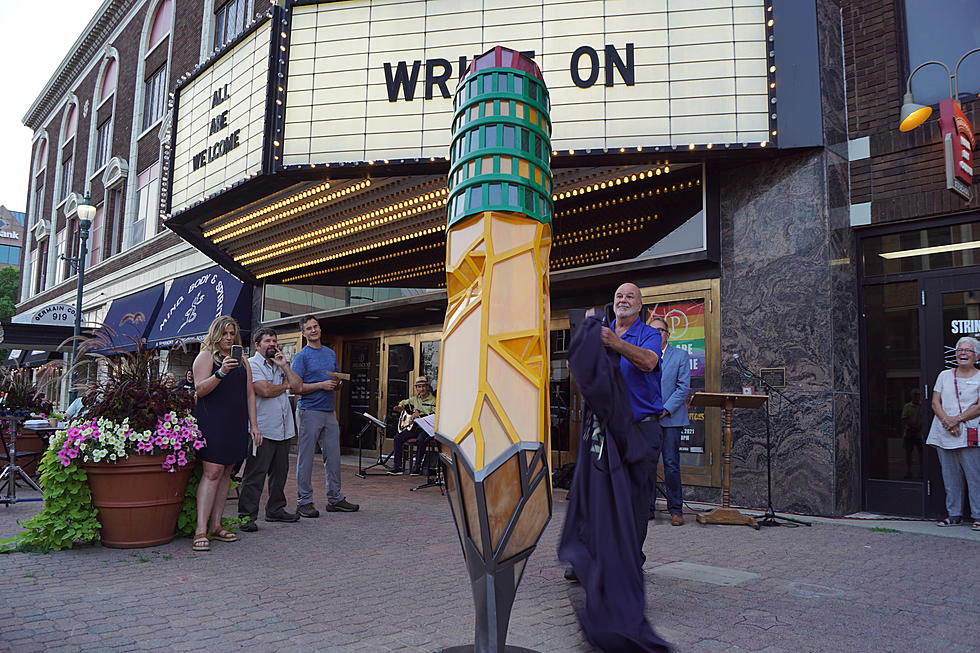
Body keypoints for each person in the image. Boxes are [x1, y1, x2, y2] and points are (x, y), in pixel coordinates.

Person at [558, 284, 670, 652]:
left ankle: (627, 568)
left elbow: (649, 363)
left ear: (640, 306)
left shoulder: (648, 335)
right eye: (619, 297)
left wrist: (614, 343)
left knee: (636, 503)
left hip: (640, 430)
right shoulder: (602, 328)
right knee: (596, 496)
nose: (623, 301)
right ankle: (594, 563)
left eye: (631, 298)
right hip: (603, 430)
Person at [191, 316, 261, 552]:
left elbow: (250, 393)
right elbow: (200, 389)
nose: (229, 338)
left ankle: (217, 525)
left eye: (232, 333)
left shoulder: (242, 360)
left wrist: (254, 425)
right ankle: (201, 529)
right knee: (212, 471)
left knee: (227, 473)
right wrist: (220, 372)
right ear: (215, 334)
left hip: (236, 421)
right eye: (224, 333)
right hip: (213, 420)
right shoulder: (206, 356)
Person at [291, 315, 359, 516]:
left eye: (316, 326)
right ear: (303, 333)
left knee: (334, 457)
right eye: (309, 328)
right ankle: (304, 501)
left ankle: (335, 498)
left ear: (320, 329)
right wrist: (321, 385)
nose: (314, 330)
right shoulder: (301, 357)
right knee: (306, 458)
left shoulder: (330, 354)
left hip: (329, 411)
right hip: (308, 411)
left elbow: (336, 380)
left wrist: (337, 384)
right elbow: (296, 388)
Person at [238, 327, 303, 532]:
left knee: (280, 473)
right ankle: (246, 516)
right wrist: (284, 387)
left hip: (283, 428)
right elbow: (264, 390)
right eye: (267, 341)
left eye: (274, 341)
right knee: (255, 474)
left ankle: (275, 509)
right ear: (257, 345)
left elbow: (298, 386)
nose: (272, 345)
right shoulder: (252, 364)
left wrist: (284, 367)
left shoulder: (279, 363)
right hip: (263, 429)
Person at [928, 336, 980, 531]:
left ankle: (978, 516)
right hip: (944, 432)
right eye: (959, 350)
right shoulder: (944, 375)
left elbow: (979, 406)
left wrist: (956, 420)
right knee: (950, 477)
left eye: (968, 350)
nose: (963, 353)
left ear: (977, 356)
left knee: (975, 476)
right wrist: (947, 422)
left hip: (970, 432)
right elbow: (935, 403)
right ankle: (954, 514)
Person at [649, 316, 691, 526]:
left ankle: (675, 509)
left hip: (671, 419)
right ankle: (647, 509)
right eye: (653, 331)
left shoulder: (680, 356)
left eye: (661, 330)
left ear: (668, 334)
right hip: (647, 420)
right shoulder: (644, 355)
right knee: (646, 466)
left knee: (671, 465)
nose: (657, 334)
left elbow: (683, 388)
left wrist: (665, 410)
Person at [387, 375, 437, 476]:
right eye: (419, 387)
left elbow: (435, 417)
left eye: (423, 386)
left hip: (426, 428)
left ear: (427, 387)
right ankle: (398, 467)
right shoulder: (415, 399)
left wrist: (420, 415)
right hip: (415, 427)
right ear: (416, 388)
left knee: (420, 440)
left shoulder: (434, 401)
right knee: (398, 438)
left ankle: (417, 467)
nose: (421, 389)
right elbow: (404, 402)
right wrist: (400, 407)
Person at [901, 388, 922, 478]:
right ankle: (908, 471)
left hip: (920, 433)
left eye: (918, 395)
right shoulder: (907, 406)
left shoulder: (922, 406)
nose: (916, 397)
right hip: (910, 432)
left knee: (922, 453)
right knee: (908, 453)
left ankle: (922, 471)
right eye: (915, 395)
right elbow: (904, 419)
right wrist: (912, 426)